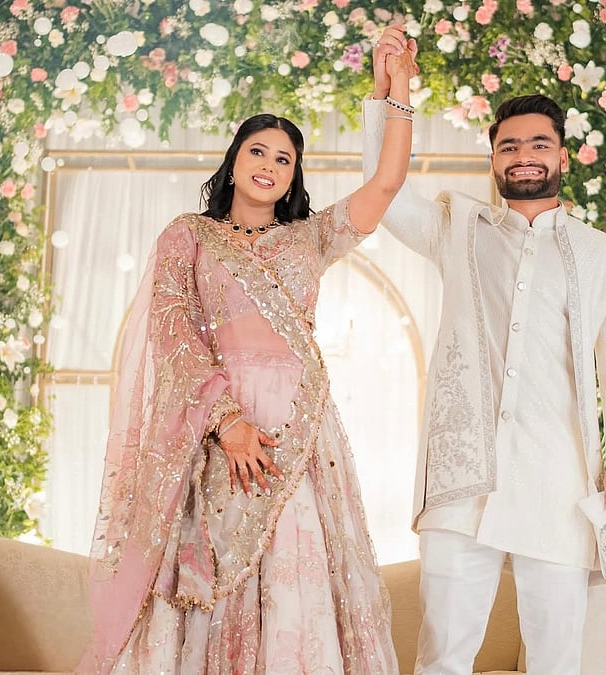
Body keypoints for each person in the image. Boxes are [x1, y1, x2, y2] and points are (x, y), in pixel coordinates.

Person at [76, 28, 419, 675]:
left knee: (299, 580)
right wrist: (228, 421)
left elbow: (387, 181)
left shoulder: (310, 239)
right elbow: (173, 336)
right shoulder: (189, 237)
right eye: (257, 150)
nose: (268, 163)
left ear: (293, 175)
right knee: (213, 583)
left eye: (284, 158)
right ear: (234, 160)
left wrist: (395, 87)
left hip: (296, 439)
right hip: (215, 434)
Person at [363, 35, 606, 675]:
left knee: (558, 660)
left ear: (563, 155)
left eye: (538, 143)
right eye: (509, 145)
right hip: (463, 482)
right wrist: (391, 94)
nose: (523, 156)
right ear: (493, 158)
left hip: (559, 481)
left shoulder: (602, 254)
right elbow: (381, 191)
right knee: (442, 655)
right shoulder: (455, 226)